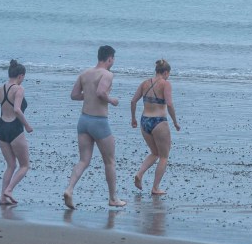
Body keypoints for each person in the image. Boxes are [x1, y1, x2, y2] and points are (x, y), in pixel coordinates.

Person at [63, 45, 126, 209]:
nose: (113, 62)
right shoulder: (107, 74)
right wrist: (112, 100)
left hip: (83, 121)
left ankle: (69, 189)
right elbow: (100, 92)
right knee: (110, 161)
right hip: (99, 122)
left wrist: (88, 95)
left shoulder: (85, 73)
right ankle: (113, 198)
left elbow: (74, 95)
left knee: (84, 160)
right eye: (113, 59)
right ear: (110, 58)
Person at [0, 59, 33, 205]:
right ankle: (9, 190)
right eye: (23, 77)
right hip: (15, 129)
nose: (23, 80)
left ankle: (2, 198)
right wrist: (28, 126)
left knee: (11, 165)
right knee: (24, 166)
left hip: (2, 129)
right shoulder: (19, 89)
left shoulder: (0, 89)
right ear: (20, 76)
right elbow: (17, 110)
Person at [130, 59, 181, 195]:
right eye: (168, 74)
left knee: (155, 153)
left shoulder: (145, 83)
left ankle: (140, 174)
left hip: (144, 120)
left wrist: (133, 118)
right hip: (159, 122)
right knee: (164, 156)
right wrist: (175, 122)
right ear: (165, 72)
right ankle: (155, 188)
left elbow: (133, 101)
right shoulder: (165, 84)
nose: (168, 76)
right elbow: (169, 104)